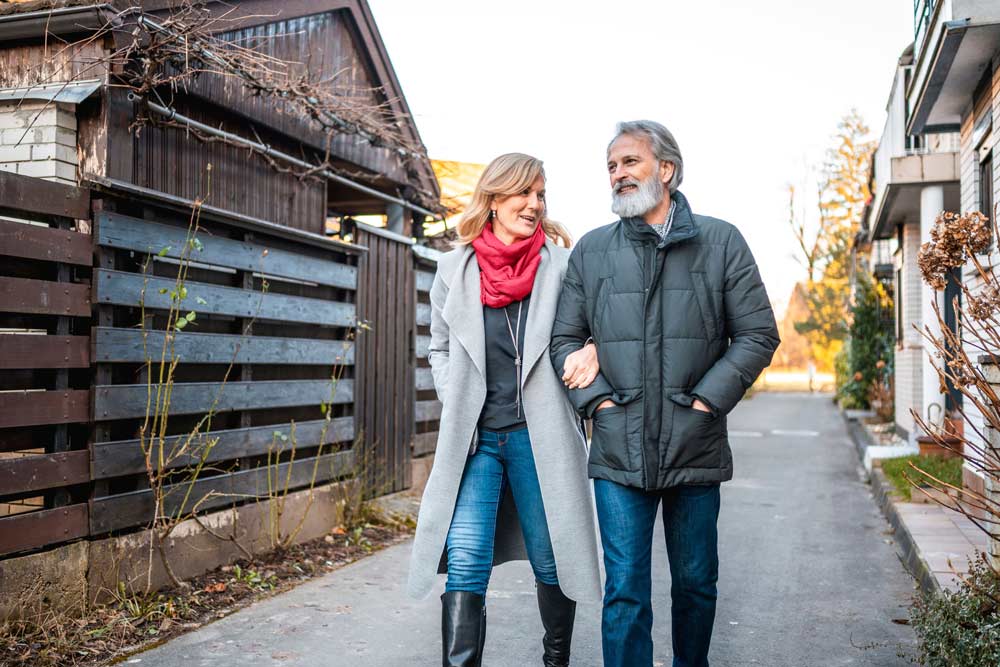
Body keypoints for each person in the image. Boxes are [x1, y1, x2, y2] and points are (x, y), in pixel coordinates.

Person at [551, 120, 780, 667]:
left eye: (629, 162)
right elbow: (562, 339)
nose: (618, 174)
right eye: (611, 166)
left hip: (694, 446)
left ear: (667, 170)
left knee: (696, 586)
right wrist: (600, 405)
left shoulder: (721, 241)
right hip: (617, 449)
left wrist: (706, 403)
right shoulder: (592, 250)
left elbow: (757, 334)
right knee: (625, 592)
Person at [408, 153, 603, 667]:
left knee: (551, 555)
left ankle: (555, 660)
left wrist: (594, 349)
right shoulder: (454, 269)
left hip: (539, 439)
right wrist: (456, 399)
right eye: (524, 193)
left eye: (541, 195)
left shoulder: (561, 266)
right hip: (474, 442)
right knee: (466, 562)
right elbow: (440, 347)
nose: (535, 204)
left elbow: (591, 331)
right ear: (494, 199)